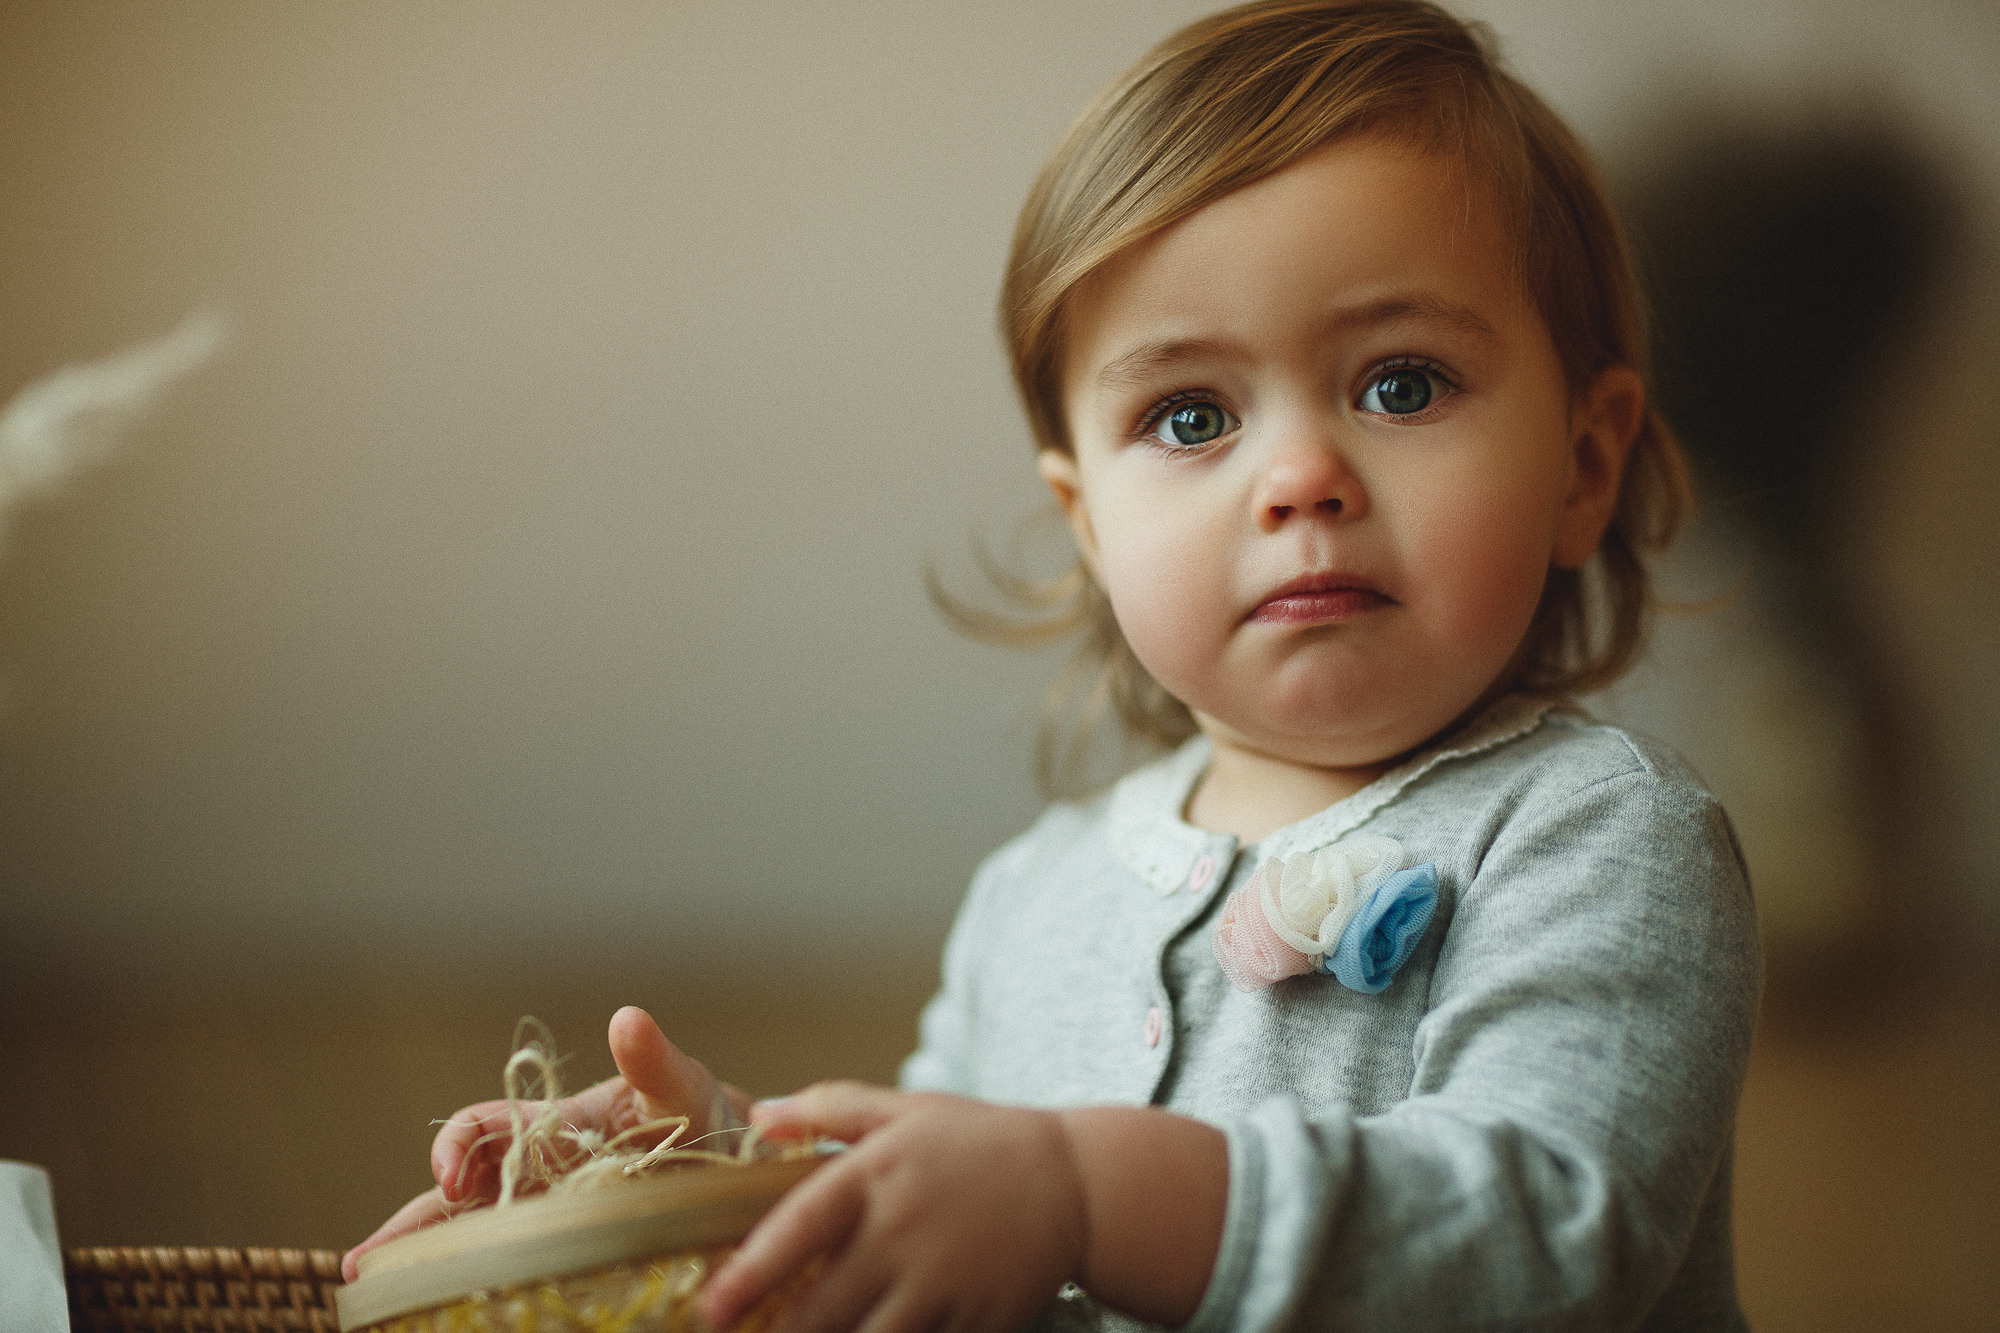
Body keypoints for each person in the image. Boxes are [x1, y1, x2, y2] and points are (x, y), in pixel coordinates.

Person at [345, 3, 1760, 1329]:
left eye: (1402, 384)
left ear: (1584, 464)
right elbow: (950, 1212)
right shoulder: (1033, 900)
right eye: (1192, 415)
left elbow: (1546, 1233)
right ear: (1089, 524)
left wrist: (1084, 1192)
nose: (1300, 476)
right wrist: (721, 1177)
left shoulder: (1599, 840)